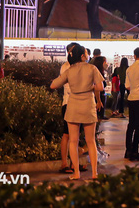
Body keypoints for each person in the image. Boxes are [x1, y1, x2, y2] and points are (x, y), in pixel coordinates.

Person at [50, 44, 104, 180]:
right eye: (86, 53)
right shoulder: (92, 68)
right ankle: (94, 173)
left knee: (73, 141)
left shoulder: (69, 70)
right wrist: (89, 87)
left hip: (73, 106)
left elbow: (53, 85)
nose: (87, 55)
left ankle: (76, 173)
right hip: (88, 105)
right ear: (82, 56)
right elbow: (100, 87)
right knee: (91, 141)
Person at [56, 42, 80, 175]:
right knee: (67, 134)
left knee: (75, 136)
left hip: (77, 103)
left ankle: (73, 163)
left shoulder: (77, 66)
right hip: (69, 103)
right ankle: (64, 163)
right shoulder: (66, 67)